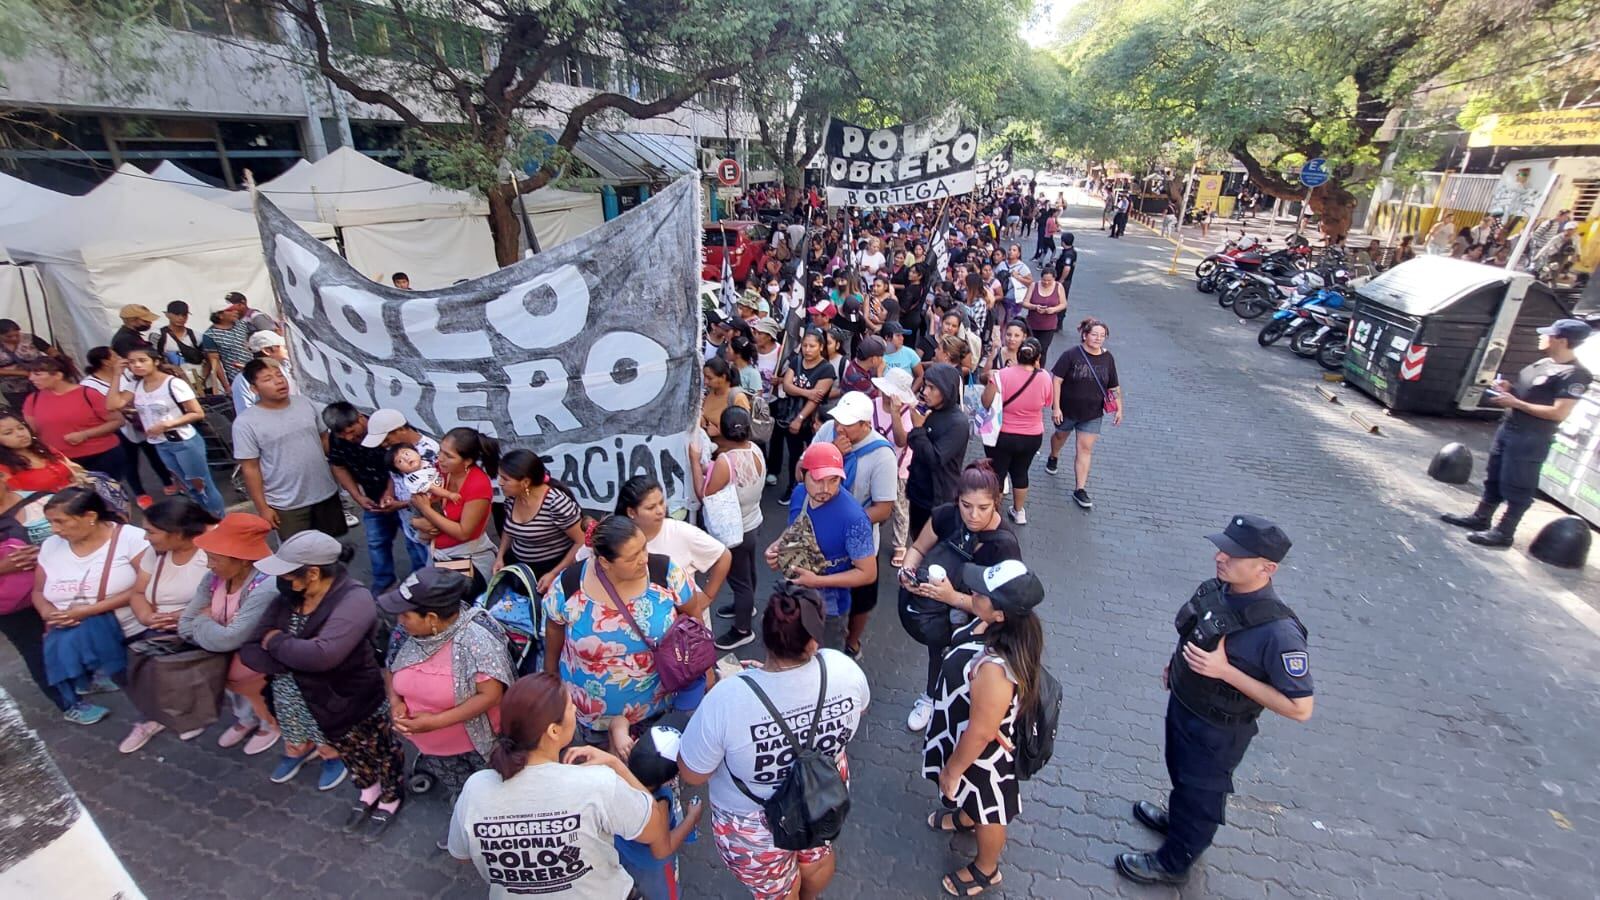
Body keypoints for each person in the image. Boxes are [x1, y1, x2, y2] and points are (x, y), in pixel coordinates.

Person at [1116, 515, 1314, 885]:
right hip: (1185, 703)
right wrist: (1174, 667)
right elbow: (1197, 633)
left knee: (1200, 794)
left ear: (1267, 568)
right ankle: (1178, 824)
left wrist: (1225, 672)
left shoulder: (1279, 631)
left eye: (1234, 554)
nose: (1220, 557)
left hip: (1218, 730)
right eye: (1222, 548)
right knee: (1180, 776)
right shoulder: (1218, 590)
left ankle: (1175, 863)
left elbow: (1300, 708)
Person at [678, 583, 871, 900]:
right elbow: (860, 707)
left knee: (775, 890)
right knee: (817, 854)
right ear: (812, 642)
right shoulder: (844, 670)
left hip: (752, 820)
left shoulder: (727, 697)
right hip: (823, 795)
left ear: (766, 636)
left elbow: (692, 774)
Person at [240, 532, 405, 838]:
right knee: (347, 749)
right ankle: (368, 788)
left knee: (379, 748)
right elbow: (250, 646)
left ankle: (392, 793)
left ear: (313, 572)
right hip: (312, 700)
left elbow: (323, 655)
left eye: (289, 572)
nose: (283, 579)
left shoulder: (354, 598)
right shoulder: (288, 595)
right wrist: (295, 656)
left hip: (355, 695)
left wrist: (276, 641)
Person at [447, 672, 667, 898]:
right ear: (553, 731)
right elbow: (654, 829)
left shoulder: (476, 788)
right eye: (571, 706)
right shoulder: (597, 782)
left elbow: (461, 854)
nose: (574, 710)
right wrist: (615, 765)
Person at [920, 559, 1046, 897]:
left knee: (990, 805)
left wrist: (952, 771)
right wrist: (948, 595)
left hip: (982, 751)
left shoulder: (996, 670)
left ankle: (986, 869)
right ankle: (965, 816)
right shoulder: (997, 621)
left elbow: (979, 732)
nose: (973, 592)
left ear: (1000, 614)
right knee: (971, 798)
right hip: (967, 730)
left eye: (982, 593)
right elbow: (968, 602)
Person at [380, 567, 513, 849]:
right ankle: (468, 822)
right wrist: (395, 702)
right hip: (433, 747)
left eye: (406, 615)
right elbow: (391, 668)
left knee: (495, 790)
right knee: (461, 790)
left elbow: (490, 696)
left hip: (478, 745)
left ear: (431, 619)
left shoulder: (476, 641)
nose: (399, 620)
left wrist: (435, 722)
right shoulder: (404, 635)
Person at [542, 515, 697, 755]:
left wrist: (702, 669)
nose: (644, 559)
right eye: (633, 557)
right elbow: (554, 628)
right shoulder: (570, 585)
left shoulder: (665, 573)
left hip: (657, 708)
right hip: (590, 718)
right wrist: (550, 674)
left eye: (644, 548)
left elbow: (693, 616)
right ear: (604, 562)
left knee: (650, 778)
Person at [1441, 319, 1593, 547]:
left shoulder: (1574, 375)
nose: (1541, 337)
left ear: (1562, 341)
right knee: (1494, 476)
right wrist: (1509, 390)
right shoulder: (1543, 363)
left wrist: (1517, 404)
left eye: (1548, 334)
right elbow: (1529, 394)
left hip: (1531, 436)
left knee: (1519, 483)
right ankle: (1481, 517)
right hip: (1509, 427)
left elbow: (1558, 412)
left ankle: (1504, 531)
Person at [898, 460, 1022, 733]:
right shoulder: (945, 515)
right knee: (937, 652)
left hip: (980, 625)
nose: (973, 516)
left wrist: (952, 597)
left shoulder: (1005, 546)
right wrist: (906, 571)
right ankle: (931, 698)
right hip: (940, 614)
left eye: (983, 508)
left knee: (967, 667)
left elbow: (1001, 609)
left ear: (997, 502)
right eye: (966, 506)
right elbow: (918, 547)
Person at [33, 487, 149, 725]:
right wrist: (48, 612)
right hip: (83, 634)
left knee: (151, 680)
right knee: (125, 682)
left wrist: (88, 611)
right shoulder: (51, 546)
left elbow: (147, 585)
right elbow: (37, 591)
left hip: (137, 630)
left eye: (61, 522)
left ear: (90, 517)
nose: (55, 530)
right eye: (50, 522)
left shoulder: (132, 539)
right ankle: (149, 719)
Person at [117, 496, 219, 753]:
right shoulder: (156, 553)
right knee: (148, 672)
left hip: (204, 627)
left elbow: (232, 598)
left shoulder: (212, 551)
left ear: (177, 533)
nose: (145, 538)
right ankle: (164, 716)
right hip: (160, 629)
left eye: (151, 532)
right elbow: (138, 593)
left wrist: (184, 616)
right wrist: (145, 617)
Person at [180, 512, 282, 756]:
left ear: (244, 560)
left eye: (215, 559)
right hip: (221, 652)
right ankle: (246, 718)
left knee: (242, 676)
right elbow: (184, 626)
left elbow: (231, 638)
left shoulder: (266, 585)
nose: (208, 564)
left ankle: (270, 723)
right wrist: (215, 633)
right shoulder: (213, 578)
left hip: (262, 657)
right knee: (224, 669)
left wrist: (204, 620)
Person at [810, 392, 897, 657]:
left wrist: (845, 524)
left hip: (859, 542)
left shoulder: (882, 455)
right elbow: (804, 470)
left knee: (862, 599)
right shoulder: (828, 432)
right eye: (838, 420)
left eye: (848, 423)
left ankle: (852, 643)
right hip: (819, 536)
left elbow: (883, 509)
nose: (839, 427)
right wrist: (833, 452)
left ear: (865, 425)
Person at [107, 347, 225, 517]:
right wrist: (117, 375)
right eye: (132, 362)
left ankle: (218, 518)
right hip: (160, 443)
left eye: (142, 360)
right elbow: (112, 405)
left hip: (183, 441)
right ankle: (204, 518)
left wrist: (168, 424)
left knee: (201, 484)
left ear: (155, 361)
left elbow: (197, 413)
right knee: (187, 485)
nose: (137, 365)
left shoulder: (173, 383)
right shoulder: (136, 385)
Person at [232, 359, 343, 537]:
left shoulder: (305, 403)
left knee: (332, 549)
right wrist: (263, 508)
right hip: (286, 503)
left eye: (279, 375)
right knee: (300, 557)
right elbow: (250, 468)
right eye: (268, 379)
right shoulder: (246, 423)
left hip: (325, 493)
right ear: (254, 388)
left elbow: (324, 440)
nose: (278, 381)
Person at [696, 407, 767, 651]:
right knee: (748, 571)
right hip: (753, 522)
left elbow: (704, 494)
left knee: (739, 581)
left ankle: (743, 629)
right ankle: (745, 606)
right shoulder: (755, 449)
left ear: (723, 431)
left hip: (736, 532)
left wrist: (696, 463)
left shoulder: (726, 461)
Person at [324, 402, 411, 595]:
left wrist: (390, 494)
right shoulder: (336, 440)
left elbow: (397, 467)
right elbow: (338, 466)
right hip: (372, 497)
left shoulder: (382, 431)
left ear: (360, 418)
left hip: (404, 497)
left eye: (351, 431)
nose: (349, 437)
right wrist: (357, 496)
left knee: (415, 543)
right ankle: (384, 584)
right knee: (376, 541)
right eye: (342, 435)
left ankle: (420, 585)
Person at [611, 475, 727, 618]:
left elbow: (724, 556)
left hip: (685, 628)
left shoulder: (682, 532)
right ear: (631, 512)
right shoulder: (615, 538)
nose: (660, 510)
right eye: (651, 507)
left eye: (661, 502)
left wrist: (708, 597)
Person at [614, 723, 705, 900]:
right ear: (670, 779)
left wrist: (619, 732)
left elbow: (618, 721)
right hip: (653, 870)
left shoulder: (618, 771)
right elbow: (662, 849)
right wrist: (692, 818)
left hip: (623, 852)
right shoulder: (659, 802)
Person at [81, 346, 179, 506]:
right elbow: (107, 405)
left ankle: (167, 481)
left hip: (142, 419)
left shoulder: (130, 373)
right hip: (120, 425)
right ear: (106, 362)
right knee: (129, 460)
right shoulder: (89, 385)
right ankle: (140, 493)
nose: (120, 357)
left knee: (153, 451)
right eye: (114, 355)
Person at [1047, 318, 1123, 510]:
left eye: (1102, 336)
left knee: (1085, 448)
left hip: (1093, 413)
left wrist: (1119, 407)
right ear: (1085, 335)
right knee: (1060, 436)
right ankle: (1054, 455)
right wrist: (1056, 407)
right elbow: (1057, 380)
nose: (1098, 339)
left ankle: (1080, 488)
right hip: (1067, 409)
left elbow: (1113, 385)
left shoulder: (1108, 358)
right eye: (1094, 334)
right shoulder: (1071, 355)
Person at [409, 426, 499, 587]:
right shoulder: (439, 470)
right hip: (439, 552)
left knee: (449, 602)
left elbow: (464, 532)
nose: (440, 459)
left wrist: (426, 511)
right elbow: (417, 499)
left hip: (466, 558)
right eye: (441, 451)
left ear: (467, 461)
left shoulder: (478, 485)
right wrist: (415, 522)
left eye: (449, 456)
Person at [981, 339, 1051, 526]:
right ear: (1038, 358)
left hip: (1003, 434)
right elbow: (1047, 402)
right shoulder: (1044, 377)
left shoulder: (1000, 375)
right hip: (1032, 436)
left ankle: (992, 512)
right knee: (1021, 472)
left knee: (998, 473)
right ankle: (1019, 511)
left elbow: (986, 402)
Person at [494, 449, 586, 590]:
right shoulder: (511, 498)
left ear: (525, 482)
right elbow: (509, 529)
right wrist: (500, 557)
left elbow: (581, 540)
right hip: (520, 567)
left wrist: (554, 573)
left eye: (505, 479)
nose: (500, 483)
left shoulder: (556, 503)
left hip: (551, 568)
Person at [362, 408, 440, 571]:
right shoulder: (397, 451)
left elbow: (434, 495)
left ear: (400, 429)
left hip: (430, 529)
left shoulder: (429, 452)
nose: (384, 445)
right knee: (418, 569)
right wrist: (389, 493)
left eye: (386, 439)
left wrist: (401, 504)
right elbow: (394, 477)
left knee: (436, 574)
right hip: (409, 526)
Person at [23, 357, 126, 478]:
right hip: (63, 460)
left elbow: (117, 420)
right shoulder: (33, 399)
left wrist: (85, 434)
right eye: (31, 374)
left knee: (108, 493)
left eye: (37, 374)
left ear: (58, 375)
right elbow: (31, 431)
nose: (31, 378)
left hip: (100, 455)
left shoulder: (88, 394)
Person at [901, 362, 967, 539]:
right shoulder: (927, 411)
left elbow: (935, 459)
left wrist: (918, 430)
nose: (925, 392)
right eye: (925, 386)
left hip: (938, 499)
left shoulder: (957, 423)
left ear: (946, 390)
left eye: (932, 388)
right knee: (916, 538)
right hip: (918, 494)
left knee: (931, 548)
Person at [773, 328, 837, 505]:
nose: (807, 350)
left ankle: (816, 487)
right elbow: (786, 385)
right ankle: (793, 486)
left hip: (811, 420)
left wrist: (800, 419)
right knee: (794, 455)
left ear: (821, 347)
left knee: (814, 454)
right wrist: (807, 392)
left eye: (812, 346)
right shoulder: (797, 360)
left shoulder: (827, 369)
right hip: (789, 413)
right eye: (805, 346)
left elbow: (816, 400)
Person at [0, 412, 79, 493]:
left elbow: (74, 471)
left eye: (21, 428)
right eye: (8, 433)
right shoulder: (3, 469)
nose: (20, 434)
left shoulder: (44, 449)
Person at [230, 330, 296, 415]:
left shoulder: (286, 367)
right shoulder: (243, 379)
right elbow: (245, 412)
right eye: (283, 347)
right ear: (267, 350)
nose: (286, 350)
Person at [0, 317, 52, 410]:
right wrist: (23, 373)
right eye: (9, 336)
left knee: (48, 407)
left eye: (17, 334)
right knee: (25, 410)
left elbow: (52, 352)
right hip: (13, 388)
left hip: (41, 382)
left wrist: (50, 364)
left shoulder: (30, 338)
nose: (14, 338)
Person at [201, 305, 255, 390]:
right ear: (220, 315)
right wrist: (226, 386)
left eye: (235, 309)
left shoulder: (242, 325)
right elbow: (215, 363)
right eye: (230, 310)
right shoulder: (210, 335)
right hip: (236, 377)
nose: (235, 312)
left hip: (256, 370)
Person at [1020, 268, 1067, 359]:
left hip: (1048, 326)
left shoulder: (1059, 287)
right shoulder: (1034, 286)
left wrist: (1053, 309)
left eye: (1049, 280)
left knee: (1043, 350)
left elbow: (1063, 304)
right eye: (1044, 280)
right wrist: (1035, 307)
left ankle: (1040, 369)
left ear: (1054, 279)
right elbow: (1025, 303)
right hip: (1032, 324)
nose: (1046, 283)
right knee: (1029, 348)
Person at [702, 357, 751, 440]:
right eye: (705, 377)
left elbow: (743, 430)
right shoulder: (709, 393)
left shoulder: (737, 397)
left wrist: (719, 433)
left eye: (710, 378)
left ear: (723, 377)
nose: (705, 382)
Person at [154, 300, 205, 370]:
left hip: (197, 374)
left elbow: (208, 358)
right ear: (167, 315)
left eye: (184, 315)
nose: (181, 318)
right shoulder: (158, 335)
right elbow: (153, 360)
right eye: (176, 314)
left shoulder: (196, 336)